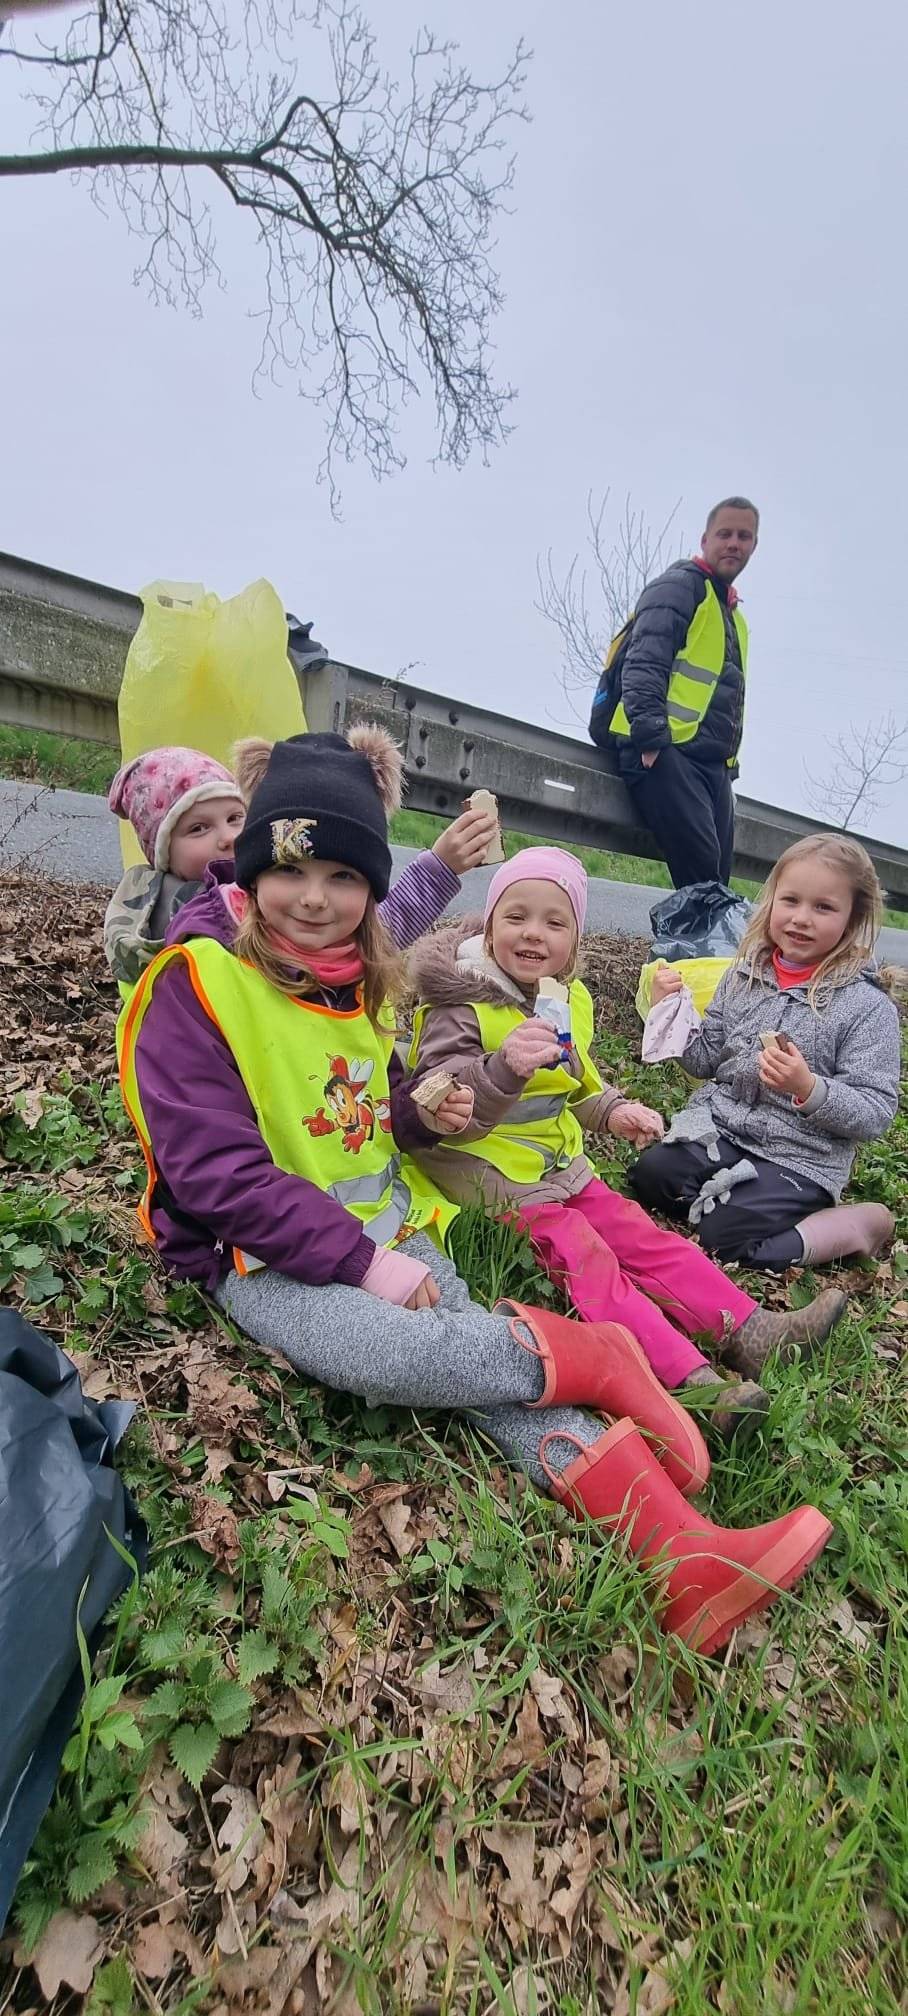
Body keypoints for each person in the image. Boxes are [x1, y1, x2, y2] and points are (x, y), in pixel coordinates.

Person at [116, 729, 834, 1657]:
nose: (315, 898)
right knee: (389, 1357)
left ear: (373, 888)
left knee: (478, 1376)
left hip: (388, 1225)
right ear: (252, 871)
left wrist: (423, 1115)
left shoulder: (358, 982)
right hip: (257, 1254)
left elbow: (368, 1123)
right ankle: (597, 1356)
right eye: (291, 869)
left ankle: (682, 1552)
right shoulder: (196, 981)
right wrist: (364, 1265)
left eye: (344, 876)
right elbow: (216, 1175)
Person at [405, 845, 846, 1415]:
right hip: (488, 1176)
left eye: (555, 922)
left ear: (574, 940)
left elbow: (576, 1082)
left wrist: (613, 1110)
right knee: (586, 1256)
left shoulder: (564, 998)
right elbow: (437, 1105)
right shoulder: (459, 1003)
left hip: (556, 1168)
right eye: (516, 916)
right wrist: (502, 1068)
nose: (534, 933)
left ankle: (752, 1331)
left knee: (643, 1235)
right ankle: (692, 1382)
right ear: (489, 927)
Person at [630, 835, 900, 1268]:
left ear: (854, 918)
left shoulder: (867, 1008)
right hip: (725, 1131)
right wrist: (670, 1013)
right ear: (771, 901)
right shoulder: (742, 976)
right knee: (652, 1176)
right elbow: (705, 1059)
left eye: (823, 907)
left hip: (800, 1157)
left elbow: (875, 1111)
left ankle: (853, 1226)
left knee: (723, 1238)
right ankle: (732, 1198)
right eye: (790, 900)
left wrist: (809, 1088)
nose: (801, 918)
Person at [103, 742, 499, 989]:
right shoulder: (205, 929)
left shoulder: (276, 903)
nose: (226, 838)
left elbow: (375, 934)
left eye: (235, 818)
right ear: (161, 851)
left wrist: (440, 867)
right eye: (198, 828)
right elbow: (383, 932)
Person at [603, 496, 759, 888]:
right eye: (725, 534)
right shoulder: (679, 587)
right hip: (663, 751)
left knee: (714, 885)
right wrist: (652, 740)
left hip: (710, 766)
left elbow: (725, 699)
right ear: (705, 540)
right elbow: (645, 663)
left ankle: (698, 935)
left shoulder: (732, 615)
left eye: (743, 537)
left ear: (754, 545)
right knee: (702, 884)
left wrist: (729, 768)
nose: (734, 544)